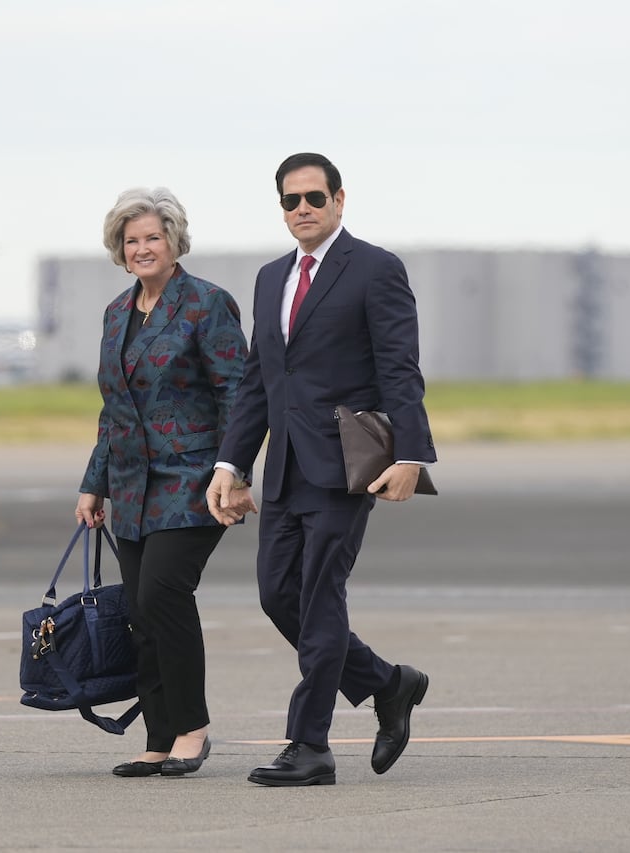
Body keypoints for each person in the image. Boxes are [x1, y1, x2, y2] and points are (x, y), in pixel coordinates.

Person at [206, 153, 437, 786]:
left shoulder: (375, 268)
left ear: (339, 199)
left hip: (345, 464)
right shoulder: (270, 277)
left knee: (320, 597)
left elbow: (400, 368)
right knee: (278, 595)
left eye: (313, 197)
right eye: (290, 200)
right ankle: (390, 684)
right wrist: (232, 462)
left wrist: (411, 456)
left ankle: (309, 746)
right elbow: (260, 379)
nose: (302, 209)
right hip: (284, 466)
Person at [76, 187, 248, 777]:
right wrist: (92, 484)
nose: (143, 248)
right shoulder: (117, 313)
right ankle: (158, 736)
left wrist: (236, 471)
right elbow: (113, 409)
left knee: (162, 596)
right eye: (132, 240)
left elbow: (237, 394)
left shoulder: (207, 303)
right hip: (129, 486)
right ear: (119, 250)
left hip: (194, 478)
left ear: (175, 242)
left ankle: (192, 728)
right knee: (139, 612)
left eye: (153, 237)